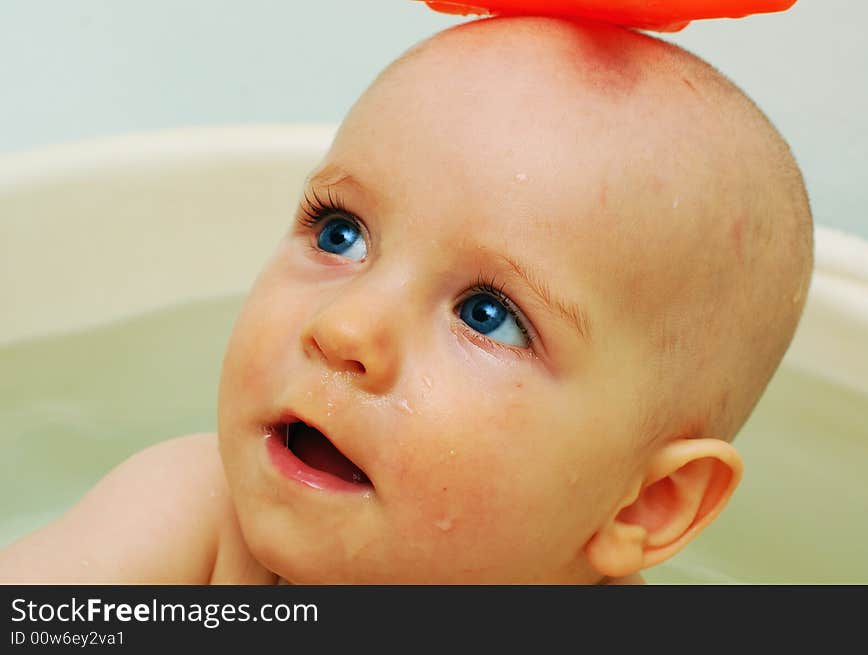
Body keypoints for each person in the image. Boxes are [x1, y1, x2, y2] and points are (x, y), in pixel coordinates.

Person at [0, 15, 812, 584]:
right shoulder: (194, 530)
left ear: (646, 503)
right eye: (340, 233)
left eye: (486, 312)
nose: (344, 327)